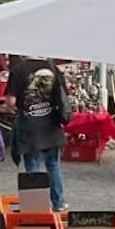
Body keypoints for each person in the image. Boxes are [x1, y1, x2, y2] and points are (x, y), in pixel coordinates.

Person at [11, 56, 71, 211]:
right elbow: (64, 95)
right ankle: (58, 203)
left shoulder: (18, 70)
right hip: (51, 125)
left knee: (32, 167)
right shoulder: (53, 68)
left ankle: (35, 208)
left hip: (29, 127)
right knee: (54, 165)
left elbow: (10, 101)